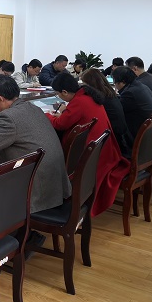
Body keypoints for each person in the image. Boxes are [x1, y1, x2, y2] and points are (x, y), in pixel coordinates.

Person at [0, 75, 70, 222]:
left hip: (35, 193)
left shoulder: (8, 117)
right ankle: (23, 232)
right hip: (54, 186)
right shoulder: (32, 108)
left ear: (0, 98)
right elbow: (22, 132)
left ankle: (14, 234)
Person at [46, 73, 130, 216]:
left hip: (92, 154)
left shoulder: (79, 101)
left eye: (58, 94)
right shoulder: (88, 95)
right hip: (103, 148)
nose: (58, 96)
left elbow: (60, 124)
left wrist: (47, 115)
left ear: (65, 92)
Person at [81, 68, 133, 158]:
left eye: (85, 84)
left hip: (114, 141)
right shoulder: (109, 92)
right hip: (122, 138)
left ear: (90, 84)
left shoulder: (100, 98)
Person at [112, 66, 152, 142]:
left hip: (140, 137)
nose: (115, 85)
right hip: (151, 133)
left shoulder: (129, 93)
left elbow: (118, 111)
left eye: (115, 82)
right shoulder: (140, 86)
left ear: (122, 82)